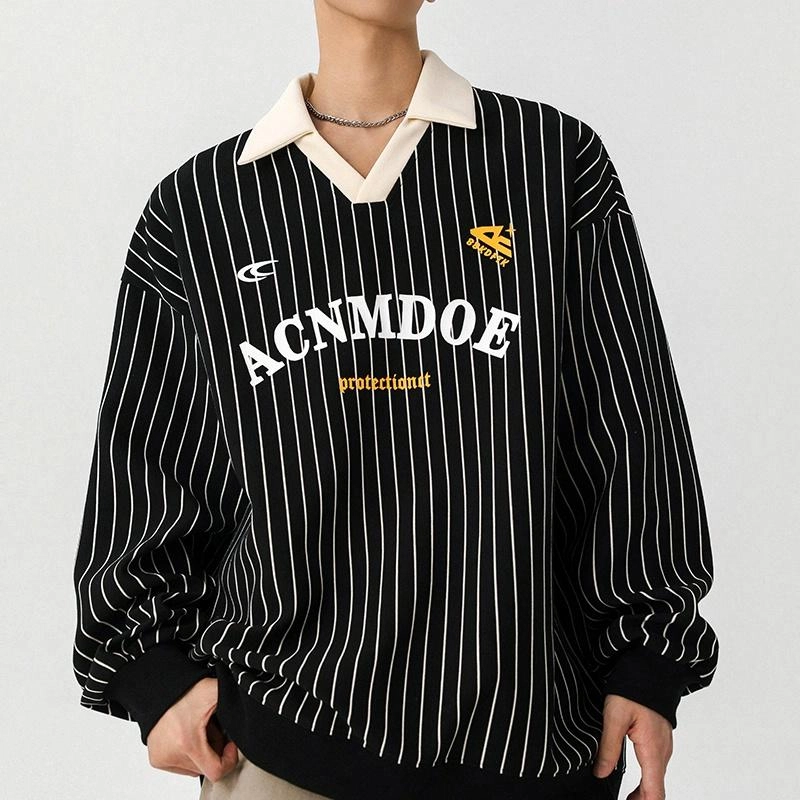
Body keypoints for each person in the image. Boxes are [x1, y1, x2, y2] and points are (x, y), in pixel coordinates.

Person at [71, 1, 719, 799]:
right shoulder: (201, 210)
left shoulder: (552, 164)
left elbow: (629, 431)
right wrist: (153, 675)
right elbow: (149, 469)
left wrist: (647, 659)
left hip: (529, 743)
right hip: (282, 741)